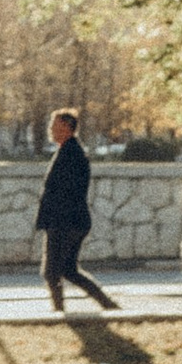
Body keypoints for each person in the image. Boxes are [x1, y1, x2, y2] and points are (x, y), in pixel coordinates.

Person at [34, 106, 118, 312]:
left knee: (52, 271)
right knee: (69, 270)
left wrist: (53, 221)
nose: (50, 129)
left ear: (67, 128)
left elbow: (67, 191)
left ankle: (58, 311)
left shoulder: (72, 153)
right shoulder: (68, 150)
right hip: (68, 221)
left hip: (65, 222)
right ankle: (108, 305)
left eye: (55, 125)